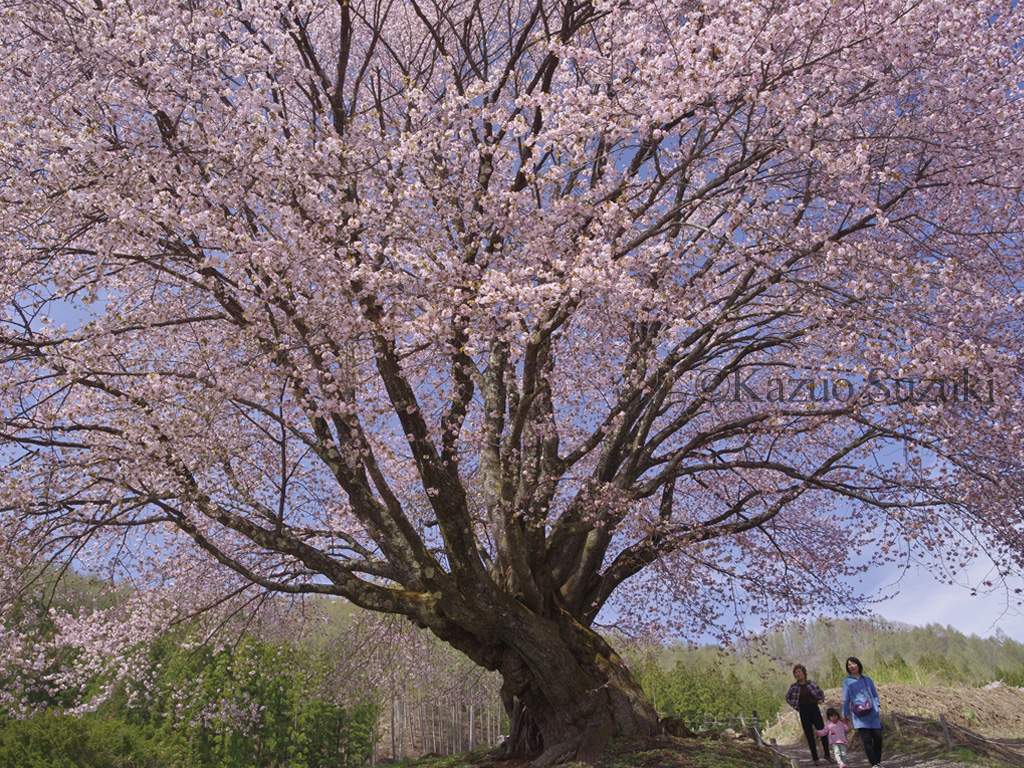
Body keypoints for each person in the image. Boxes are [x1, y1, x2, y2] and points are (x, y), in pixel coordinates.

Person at [787, 663, 832, 765]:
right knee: (809, 735)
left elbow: (821, 692)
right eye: (795, 673)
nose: (798, 674)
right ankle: (815, 758)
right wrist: (796, 706)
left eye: (799, 672)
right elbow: (787, 698)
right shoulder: (794, 687)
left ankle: (827, 755)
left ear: (804, 673)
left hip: (814, 709)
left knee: (823, 732)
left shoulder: (811, 683)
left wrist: (821, 699)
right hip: (803, 711)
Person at [842, 656, 883, 767]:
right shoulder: (847, 681)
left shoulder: (867, 679)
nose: (852, 666)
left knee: (878, 737)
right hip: (859, 714)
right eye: (849, 665)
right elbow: (846, 699)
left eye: (853, 663)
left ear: (858, 665)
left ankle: (878, 761)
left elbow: (874, 694)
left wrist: (877, 705)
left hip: (873, 712)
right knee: (866, 739)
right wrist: (845, 713)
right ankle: (874, 763)